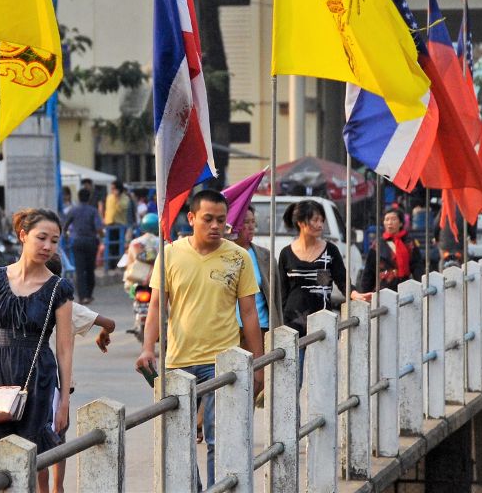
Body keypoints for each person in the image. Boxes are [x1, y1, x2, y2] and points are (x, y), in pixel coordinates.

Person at [135, 189, 265, 489]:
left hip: (223, 361)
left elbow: (249, 313)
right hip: (178, 361)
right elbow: (156, 306)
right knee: (178, 440)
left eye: (222, 220)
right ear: (192, 218)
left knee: (219, 438)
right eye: (208, 219)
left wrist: (258, 364)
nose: (216, 226)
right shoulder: (171, 254)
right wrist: (147, 348)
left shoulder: (238, 257)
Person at [0, 209, 75, 493]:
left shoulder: (59, 288)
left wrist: (63, 400)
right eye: (41, 238)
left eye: (54, 241)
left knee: (33, 458)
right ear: (23, 235)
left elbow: (64, 349)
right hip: (0, 378)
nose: (48, 247)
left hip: (38, 379)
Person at [45, 252, 114, 493]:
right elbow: (109, 323)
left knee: (39, 437)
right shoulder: (70, 306)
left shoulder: (29, 298)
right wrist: (103, 335)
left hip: (41, 381)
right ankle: (57, 488)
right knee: (57, 435)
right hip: (61, 383)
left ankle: (47, 489)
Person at [278, 201, 365, 382]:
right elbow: (282, 292)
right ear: (301, 223)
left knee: (323, 381)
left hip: (323, 321)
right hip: (293, 324)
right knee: (293, 381)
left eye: (321, 220)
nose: (320, 225)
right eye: (315, 220)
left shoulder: (330, 250)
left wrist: (355, 294)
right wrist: (281, 324)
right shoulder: (286, 253)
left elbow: (342, 280)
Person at [232, 207, 281, 345]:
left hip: (261, 327)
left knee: (259, 364)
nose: (251, 226)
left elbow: (276, 298)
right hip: (230, 329)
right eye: (246, 222)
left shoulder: (265, 256)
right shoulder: (222, 255)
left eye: (253, 222)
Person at [360, 208, 424, 292]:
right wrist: (365, 292)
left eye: (393, 219)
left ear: (401, 223)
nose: (390, 223)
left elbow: (417, 266)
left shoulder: (409, 242)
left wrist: (420, 285)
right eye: (387, 219)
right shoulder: (378, 244)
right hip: (384, 289)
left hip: (404, 287)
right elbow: (369, 270)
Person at [63, 187, 103, 305]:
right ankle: (89, 295)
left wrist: (67, 236)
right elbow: (99, 228)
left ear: (78, 197)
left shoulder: (73, 210)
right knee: (90, 269)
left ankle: (82, 297)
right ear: (89, 197)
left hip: (77, 242)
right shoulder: (93, 211)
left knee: (79, 270)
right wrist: (102, 236)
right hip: (91, 242)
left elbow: (65, 226)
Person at [103, 180, 131, 258]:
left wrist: (117, 198)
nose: (112, 190)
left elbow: (121, 208)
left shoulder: (125, 198)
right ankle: (111, 264)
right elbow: (107, 210)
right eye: (111, 189)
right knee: (110, 245)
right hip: (109, 224)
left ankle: (118, 261)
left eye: (113, 188)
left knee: (119, 244)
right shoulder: (109, 197)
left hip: (120, 224)